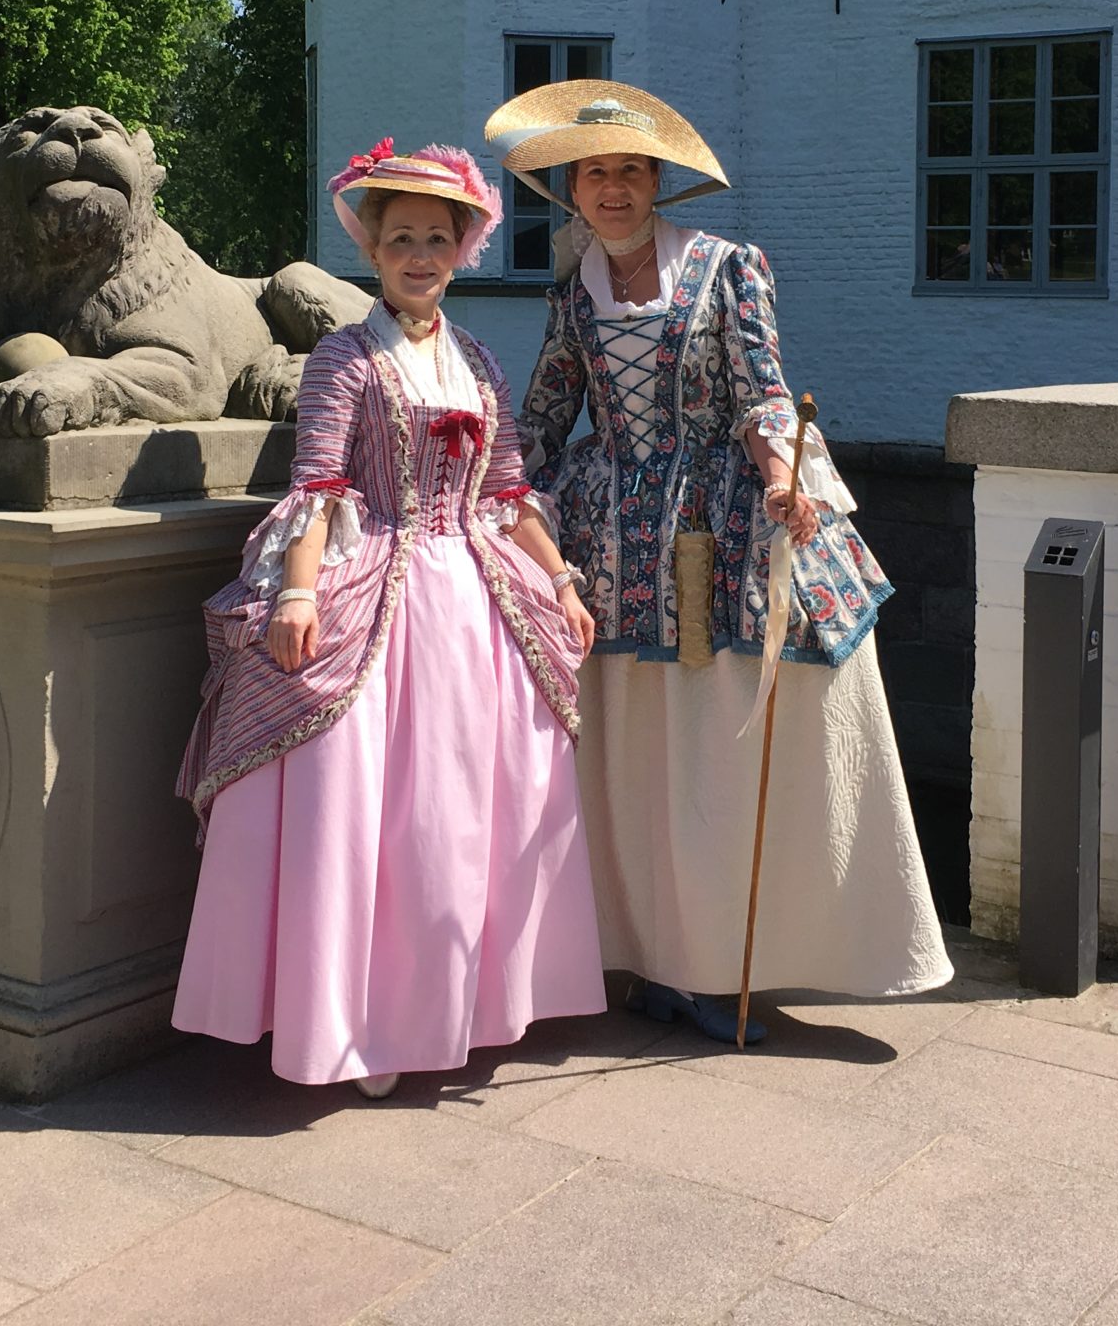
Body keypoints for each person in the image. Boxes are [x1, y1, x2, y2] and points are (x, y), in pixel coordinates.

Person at [484, 82, 951, 1043]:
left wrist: (782, 476)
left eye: (629, 171)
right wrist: (477, 481)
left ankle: (718, 963)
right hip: (610, 541)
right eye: (594, 173)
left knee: (715, 753)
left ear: (658, 181)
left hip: (721, 530)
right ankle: (649, 955)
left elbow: (765, 394)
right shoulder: (573, 294)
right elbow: (542, 416)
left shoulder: (727, 268)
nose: (612, 189)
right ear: (571, 188)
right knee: (630, 752)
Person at [172, 138, 606, 1098]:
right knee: (366, 802)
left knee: (466, 811)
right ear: (371, 249)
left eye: (437, 241)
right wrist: (296, 591)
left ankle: (456, 1007)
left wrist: (564, 582)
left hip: (475, 603)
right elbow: (318, 483)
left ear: (462, 251)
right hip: (383, 586)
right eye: (402, 238)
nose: (419, 256)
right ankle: (364, 1023)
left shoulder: (481, 361)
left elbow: (509, 490)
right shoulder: (343, 358)